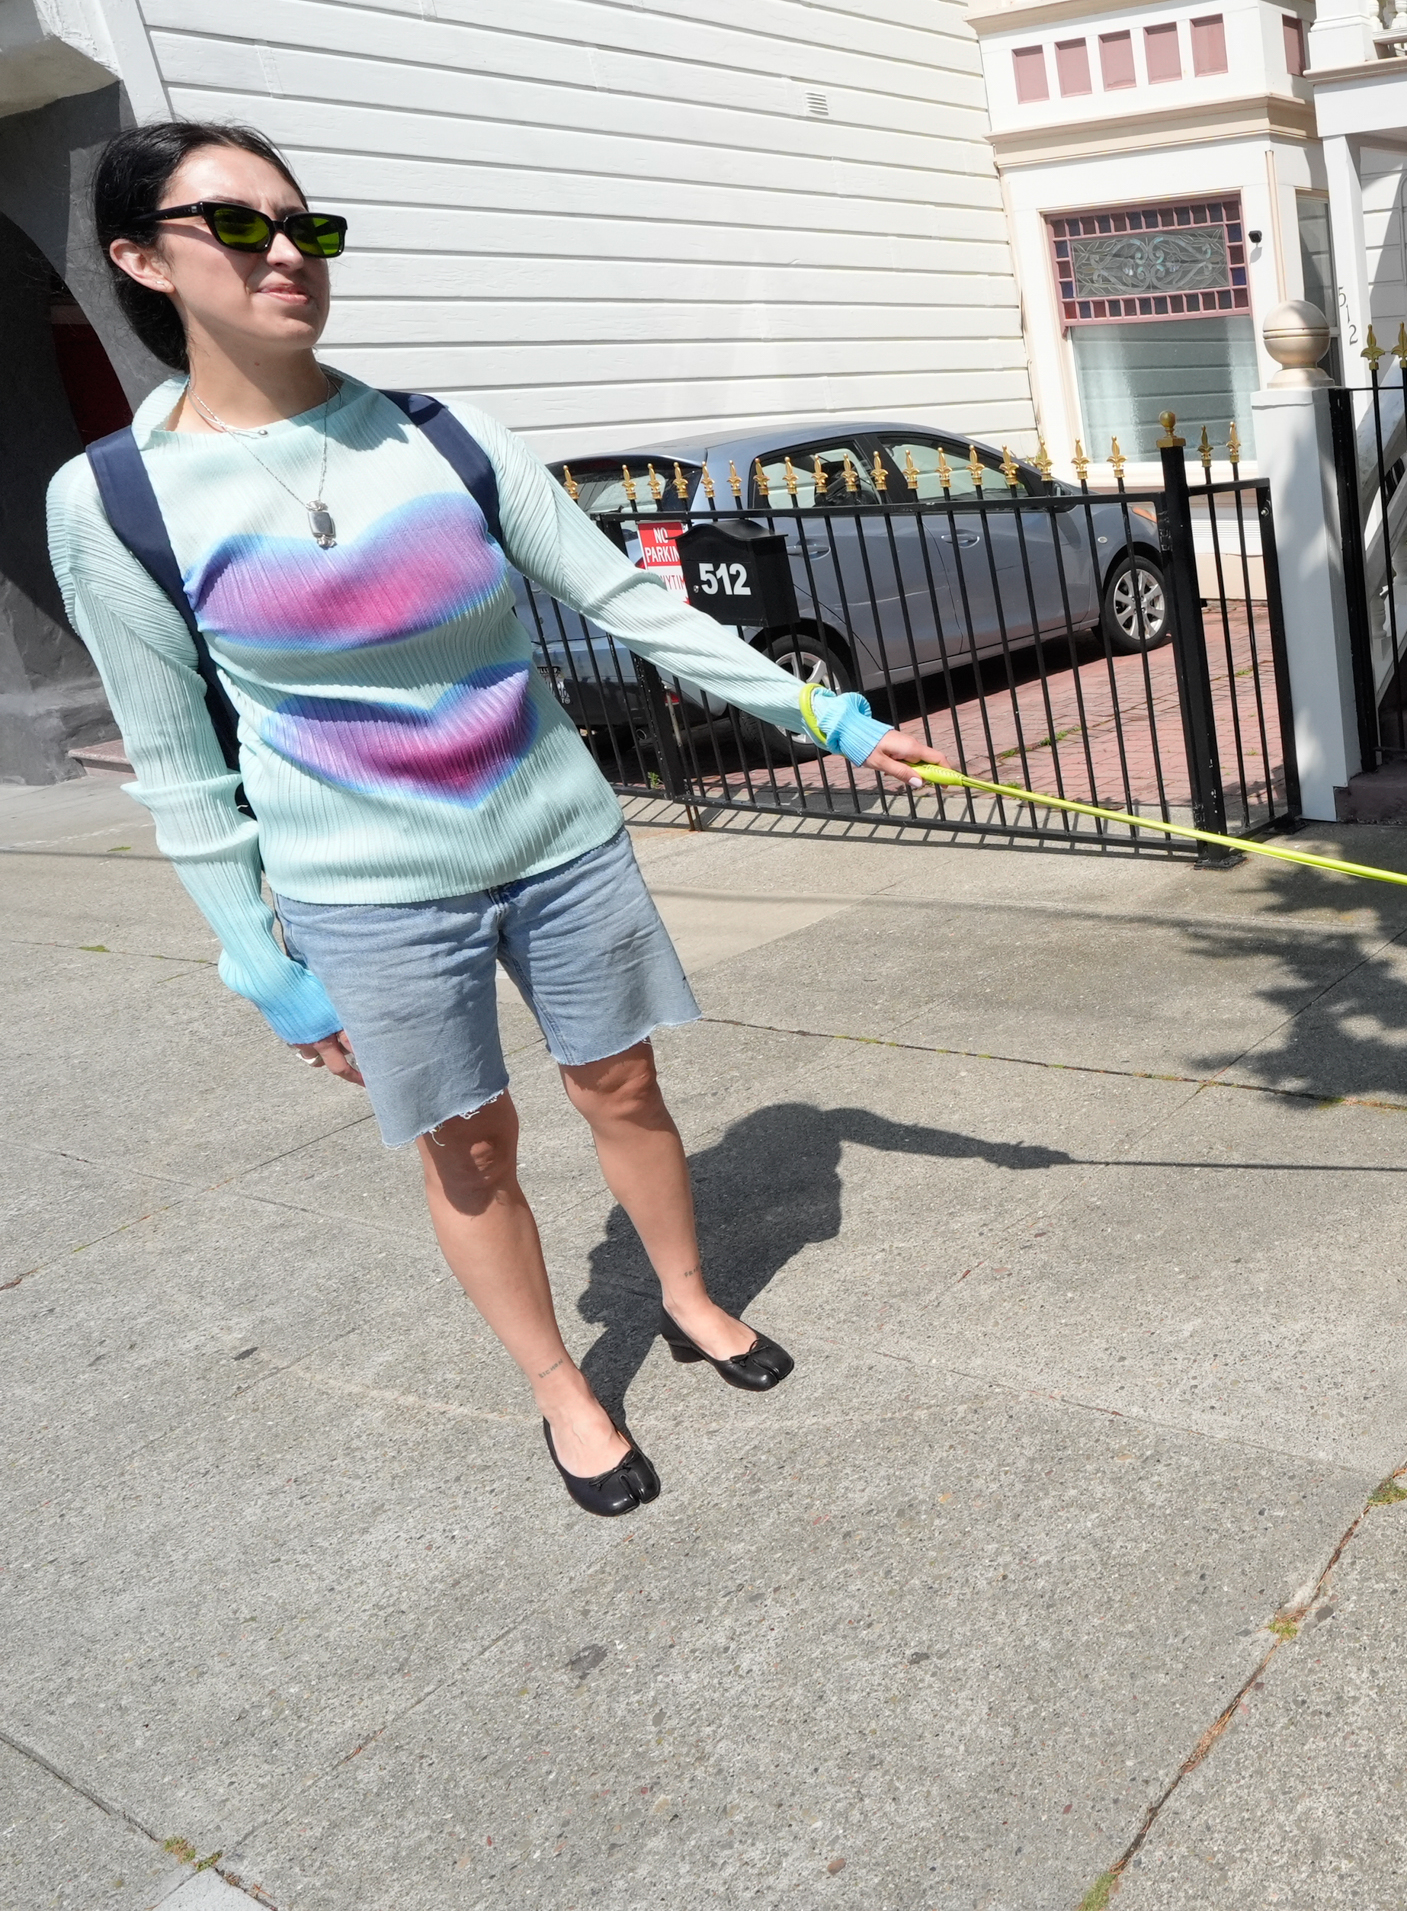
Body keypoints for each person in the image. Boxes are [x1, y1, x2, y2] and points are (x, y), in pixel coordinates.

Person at [47, 121, 950, 1517]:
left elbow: (630, 602)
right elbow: (178, 762)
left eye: (304, 222)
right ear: (136, 256)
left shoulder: (437, 434)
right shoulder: (113, 498)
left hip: (558, 839)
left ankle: (691, 1296)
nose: (287, 250)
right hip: (367, 888)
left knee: (625, 1086)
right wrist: (264, 963)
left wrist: (827, 716)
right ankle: (560, 1387)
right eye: (236, 224)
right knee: (468, 1146)